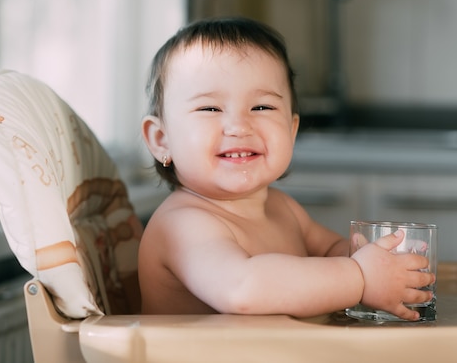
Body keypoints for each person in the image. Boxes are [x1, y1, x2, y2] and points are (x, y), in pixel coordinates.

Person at [139, 17, 434, 320]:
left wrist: (380, 264)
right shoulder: (182, 224)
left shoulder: (284, 209)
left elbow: (333, 250)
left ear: (291, 131)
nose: (239, 126)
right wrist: (359, 277)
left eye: (262, 107)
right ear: (161, 140)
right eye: (210, 108)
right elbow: (242, 289)